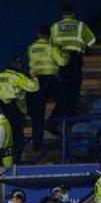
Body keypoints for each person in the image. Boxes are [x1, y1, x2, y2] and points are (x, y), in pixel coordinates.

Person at [49, 5, 96, 121]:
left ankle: (61, 120)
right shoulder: (80, 25)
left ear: (62, 13)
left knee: (66, 90)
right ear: (73, 13)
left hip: (61, 61)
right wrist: (83, 47)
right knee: (73, 91)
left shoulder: (55, 26)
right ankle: (64, 119)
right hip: (75, 59)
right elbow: (92, 41)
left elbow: (51, 44)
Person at [25, 24, 67, 152]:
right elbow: (62, 62)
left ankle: (37, 147)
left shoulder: (31, 47)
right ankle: (52, 122)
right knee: (67, 99)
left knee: (37, 116)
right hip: (49, 81)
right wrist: (64, 53)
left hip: (34, 83)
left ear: (38, 34)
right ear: (49, 35)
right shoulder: (51, 47)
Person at [0, 59, 38, 163]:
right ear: (18, 65)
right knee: (17, 138)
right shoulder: (17, 76)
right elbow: (34, 87)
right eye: (20, 64)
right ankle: (16, 161)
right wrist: (34, 77)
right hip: (12, 108)